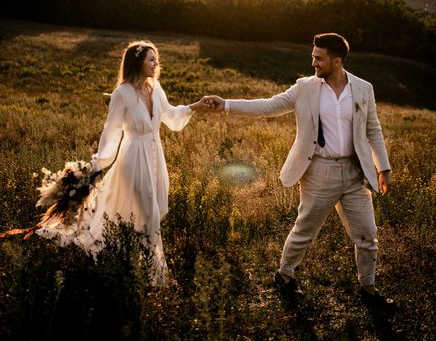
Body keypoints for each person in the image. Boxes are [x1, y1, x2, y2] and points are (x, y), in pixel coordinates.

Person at [203, 32, 394, 307]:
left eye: (319, 58)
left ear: (337, 61)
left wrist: (383, 168)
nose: (313, 63)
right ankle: (284, 275)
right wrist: (226, 105)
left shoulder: (363, 89)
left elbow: (373, 129)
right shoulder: (304, 88)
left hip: (355, 173)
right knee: (305, 230)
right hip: (319, 170)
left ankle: (369, 289)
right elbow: (268, 106)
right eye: (312, 57)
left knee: (367, 236)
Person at [37, 40, 206, 285]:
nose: (156, 64)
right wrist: (95, 166)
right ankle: (155, 276)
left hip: (155, 154)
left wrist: (195, 106)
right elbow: (111, 132)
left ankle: (126, 262)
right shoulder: (122, 93)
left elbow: (170, 115)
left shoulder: (155, 88)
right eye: (151, 59)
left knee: (145, 212)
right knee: (148, 213)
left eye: (156, 59)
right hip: (133, 158)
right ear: (138, 62)